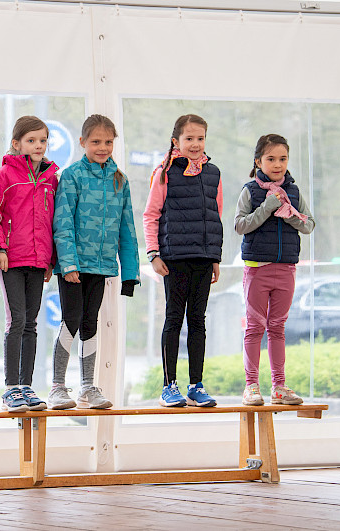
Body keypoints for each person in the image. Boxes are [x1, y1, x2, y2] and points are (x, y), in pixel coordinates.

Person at [49, 114, 140, 410]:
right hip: (74, 266)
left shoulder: (120, 180)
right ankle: (58, 387)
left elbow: (127, 228)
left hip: (101, 267)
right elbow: (62, 222)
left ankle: (88, 386)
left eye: (108, 142)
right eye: (96, 142)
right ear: (82, 142)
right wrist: (69, 264)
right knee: (71, 320)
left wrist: (130, 273)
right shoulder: (72, 176)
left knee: (91, 323)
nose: (103, 147)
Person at [143, 114, 223, 408]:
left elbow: (215, 216)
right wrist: (153, 254)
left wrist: (215, 257)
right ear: (176, 141)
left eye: (200, 138)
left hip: (203, 258)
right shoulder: (163, 173)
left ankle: (196, 385)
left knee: (198, 321)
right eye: (189, 138)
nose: (195, 144)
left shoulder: (213, 173)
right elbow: (151, 215)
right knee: (174, 318)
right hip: (173, 258)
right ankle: (169, 386)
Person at [234, 134, 316, 406]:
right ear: (258, 161)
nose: (277, 164)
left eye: (283, 158)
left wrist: (290, 213)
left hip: (286, 269)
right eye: (271, 159)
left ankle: (279, 387)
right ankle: (251, 386)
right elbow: (240, 226)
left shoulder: (293, 191)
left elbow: (309, 225)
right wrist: (267, 207)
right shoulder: (250, 190)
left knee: (278, 328)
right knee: (255, 327)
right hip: (257, 270)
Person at [0, 116, 59, 412]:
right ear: (17, 143)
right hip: (11, 258)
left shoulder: (51, 178)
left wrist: (51, 260)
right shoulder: (4, 175)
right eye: (31, 140)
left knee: (32, 323)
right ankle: (10, 388)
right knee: (16, 320)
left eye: (42, 140)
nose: (38, 146)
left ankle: (27, 386)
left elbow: (53, 221)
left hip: (38, 259)